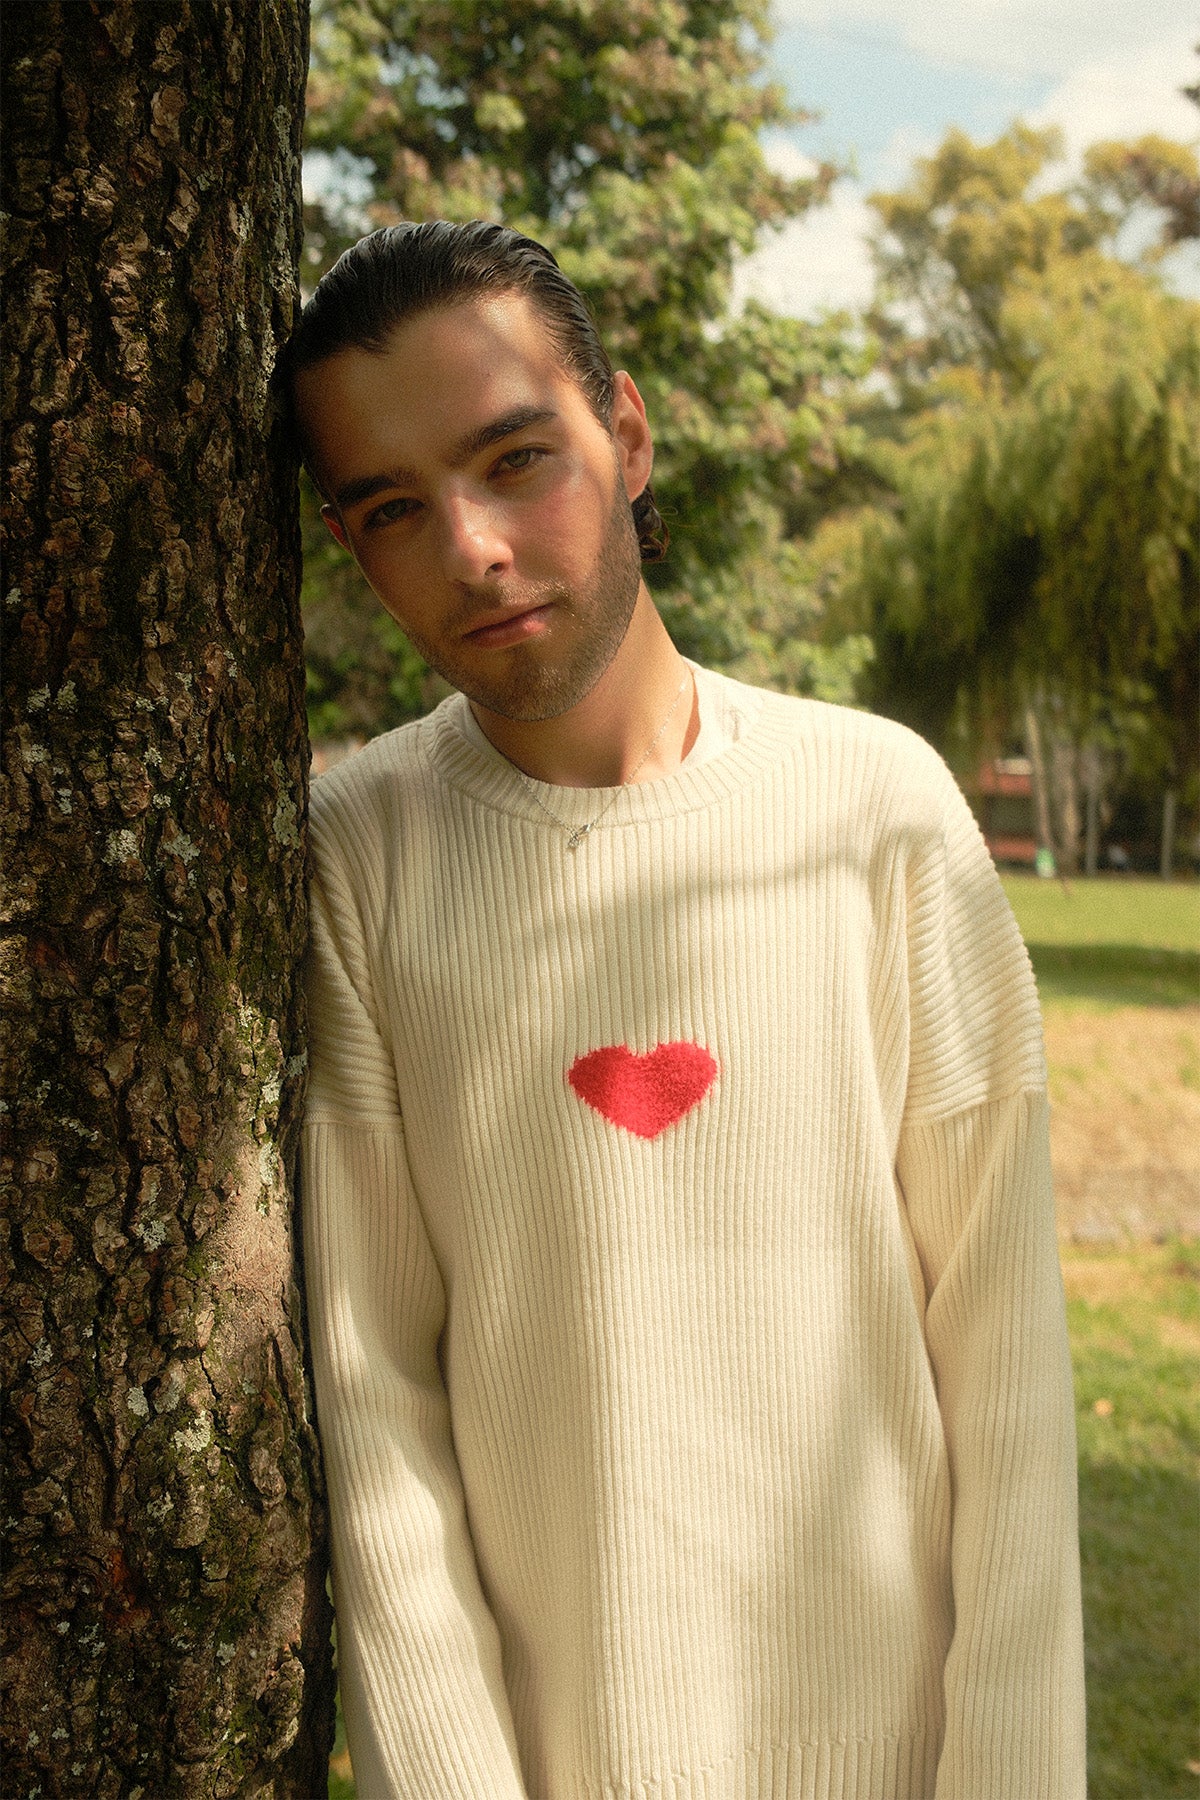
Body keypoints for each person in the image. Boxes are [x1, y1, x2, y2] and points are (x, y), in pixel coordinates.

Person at [284, 220, 1086, 1799]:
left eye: (517, 460)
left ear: (628, 433)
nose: (473, 547)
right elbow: (377, 1413)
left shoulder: (880, 805)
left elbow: (1006, 1373)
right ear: (347, 542)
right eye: (393, 507)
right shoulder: (358, 856)